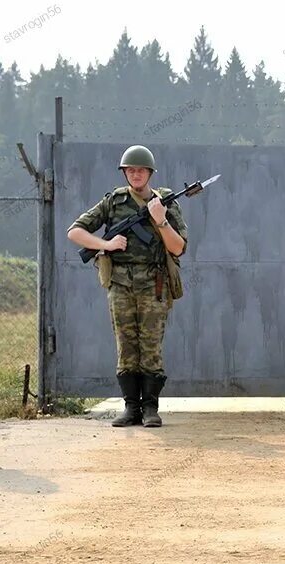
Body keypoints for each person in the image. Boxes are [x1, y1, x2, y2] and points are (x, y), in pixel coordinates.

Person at [67, 145, 187, 428]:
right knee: (126, 347)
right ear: (124, 173)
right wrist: (105, 244)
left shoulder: (166, 202)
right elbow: (75, 232)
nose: (135, 174)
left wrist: (160, 221)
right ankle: (131, 408)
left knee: (151, 346)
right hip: (120, 285)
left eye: (141, 170)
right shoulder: (113, 202)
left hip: (154, 286)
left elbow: (179, 248)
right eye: (130, 170)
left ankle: (150, 409)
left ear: (150, 173)